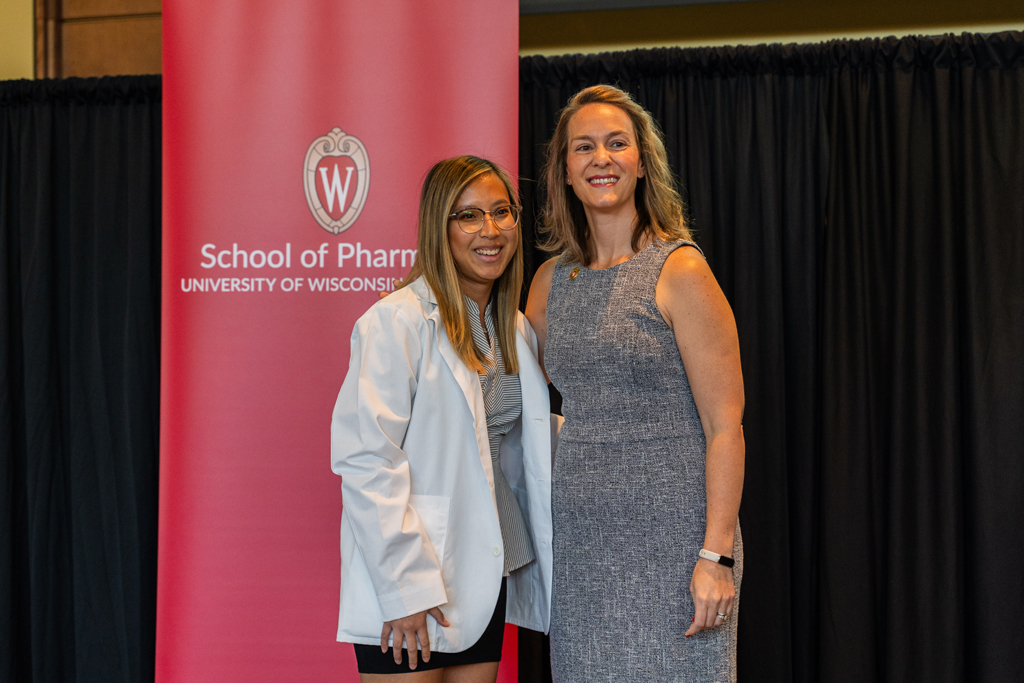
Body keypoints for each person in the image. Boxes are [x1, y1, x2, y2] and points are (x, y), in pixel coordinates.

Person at [525, 85, 745, 682]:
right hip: (581, 550)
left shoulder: (681, 270)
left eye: (617, 144)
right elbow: (529, 397)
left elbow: (725, 427)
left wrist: (716, 555)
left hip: (678, 549)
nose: (601, 158)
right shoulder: (548, 283)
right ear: (565, 171)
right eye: (584, 147)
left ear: (642, 162)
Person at [332, 156, 554, 682]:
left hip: (484, 572)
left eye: (502, 212)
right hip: (412, 575)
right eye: (469, 216)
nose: (491, 230)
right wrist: (405, 586)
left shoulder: (514, 330)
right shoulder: (395, 322)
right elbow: (367, 461)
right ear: (440, 227)